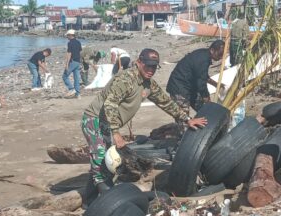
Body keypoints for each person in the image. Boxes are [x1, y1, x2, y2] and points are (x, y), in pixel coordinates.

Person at [81, 48, 207, 198]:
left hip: (109, 123)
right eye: (148, 65)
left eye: (154, 66)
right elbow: (110, 104)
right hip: (94, 120)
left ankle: (88, 199)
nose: (151, 70)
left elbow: (165, 102)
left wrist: (186, 119)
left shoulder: (148, 84)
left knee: (104, 162)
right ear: (139, 62)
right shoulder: (125, 79)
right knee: (101, 156)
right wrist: (116, 133)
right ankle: (108, 199)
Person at [166, 40, 225, 131]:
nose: (220, 57)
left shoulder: (205, 55)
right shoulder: (203, 59)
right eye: (219, 54)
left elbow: (203, 75)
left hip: (190, 87)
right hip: (179, 87)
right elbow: (201, 82)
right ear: (212, 50)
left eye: (222, 55)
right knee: (183, 117)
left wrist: (216, 84)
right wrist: (206, 97)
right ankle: (183, 137)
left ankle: (204, 130)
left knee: (203, 109)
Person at [63, 29, 82, 99]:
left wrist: (67, 64)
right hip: (78, 62)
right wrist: (81, 62)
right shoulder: (78, 42)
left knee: (64, 76)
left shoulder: (70, 43)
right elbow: (80, 52)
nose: (67, 37)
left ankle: (71, 89)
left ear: (71, 35)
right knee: (76, 78)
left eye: (68, 35)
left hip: (72, 61)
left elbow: (69, 54)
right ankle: (78, 94)